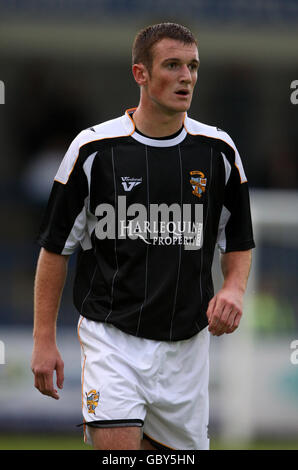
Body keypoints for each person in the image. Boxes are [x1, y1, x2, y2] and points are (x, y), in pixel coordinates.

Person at [31, 22, 255, 451]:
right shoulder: (93, 150)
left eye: (192, 66)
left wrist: (233, 288)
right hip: (112, 339)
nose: (186, 77)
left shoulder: (219, 152)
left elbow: (239, 241)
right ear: (141, 74)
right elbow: (55, 250)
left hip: (187, 349)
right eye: (172, 65)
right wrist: (44, 340)